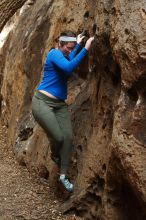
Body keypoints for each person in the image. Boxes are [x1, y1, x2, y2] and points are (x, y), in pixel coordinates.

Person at [32, 30, 94, 192]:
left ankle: (63, 175)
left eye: (72, 47)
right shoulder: (54, 54)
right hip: (41, 102)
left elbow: (70, 58)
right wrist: (85, 48)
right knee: (58, 137)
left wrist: (78, 45)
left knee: (68, 138)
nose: (70, 50)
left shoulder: (64, 54)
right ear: (59, 44)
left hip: (59, 104)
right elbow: (68, 68)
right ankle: (54, 155)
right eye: (68, 47)